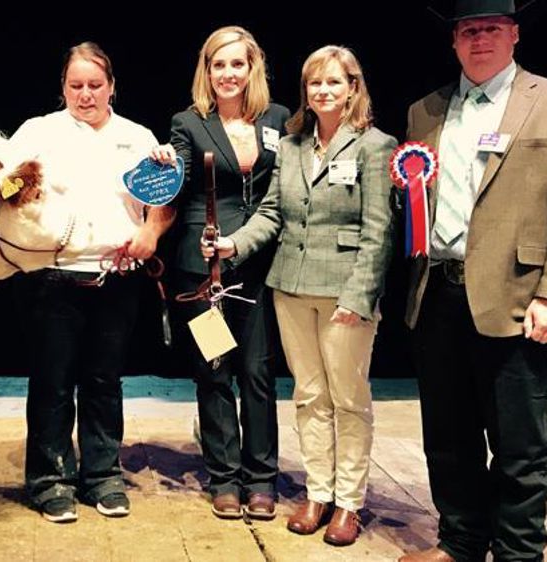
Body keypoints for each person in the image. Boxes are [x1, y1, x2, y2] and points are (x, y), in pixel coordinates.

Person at [210, 45, 396, 546]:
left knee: (349, 400)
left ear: (353, 87)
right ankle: (317, 494)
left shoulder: (375, 146)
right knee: (310, 397)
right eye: (315, 83)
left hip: (344, 295)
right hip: (289, 289)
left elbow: (378, 232)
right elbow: (271, 213)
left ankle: (348, 503)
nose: (323, 91)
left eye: (334, 82)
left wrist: (359, 296)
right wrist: (233, 244)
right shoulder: (291, 146)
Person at [398, 1, 547, 560]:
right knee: (449, 437)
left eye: (490, 29)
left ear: (513, 35)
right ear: (454, 42)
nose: (478, 39)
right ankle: (460, 541)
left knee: (521, 444)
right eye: (467, 31)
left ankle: (518, 553)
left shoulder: (544, 100)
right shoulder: (426, 111)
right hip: (436, 291)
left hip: (516, 296)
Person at [10, 41, 174, 523]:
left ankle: (102, 477)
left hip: (117, 279)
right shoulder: (37, 133)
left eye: (95, 86)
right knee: (52, 383)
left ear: (112, 88)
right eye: (75, 85)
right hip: (51, 278)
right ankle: (50, 482)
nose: (85, 95)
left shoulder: (139, 137)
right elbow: (3, 188)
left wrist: (150, 232)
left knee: (104, 381)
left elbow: (164, 203)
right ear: (62, 87)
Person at [150, 25, 289, 521]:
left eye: (237, 64)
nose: (228, 74)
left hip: (258, 265)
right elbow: (178, 180)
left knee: (257, 374)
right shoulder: (187, 122)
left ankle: (261, 479)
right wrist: (164, 161)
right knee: (214, 372)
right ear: (205, 72)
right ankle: (224, 478)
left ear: (253, 68)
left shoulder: (279, 119)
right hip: (202, 269)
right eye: (218, 65)